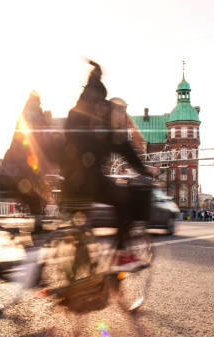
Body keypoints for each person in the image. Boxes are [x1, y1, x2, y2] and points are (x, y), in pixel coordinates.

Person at [57, 60, 155, 268]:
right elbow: (123, 146)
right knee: (125, 205)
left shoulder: (74, 114)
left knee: (80, 229)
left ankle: (74, 282)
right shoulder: (100, 118)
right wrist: (143, 168)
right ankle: (120, 254)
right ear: (101, 100)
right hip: (90, 181)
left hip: (69, 183)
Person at [0, 91, 54, 231]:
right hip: (24, 166)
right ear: (38, 102)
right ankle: (36, 231)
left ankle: (32, 228)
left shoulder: (23, 114)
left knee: (35, 196)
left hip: (13, 166)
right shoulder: (36, 115)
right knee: (38, 198)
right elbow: (44, 138)